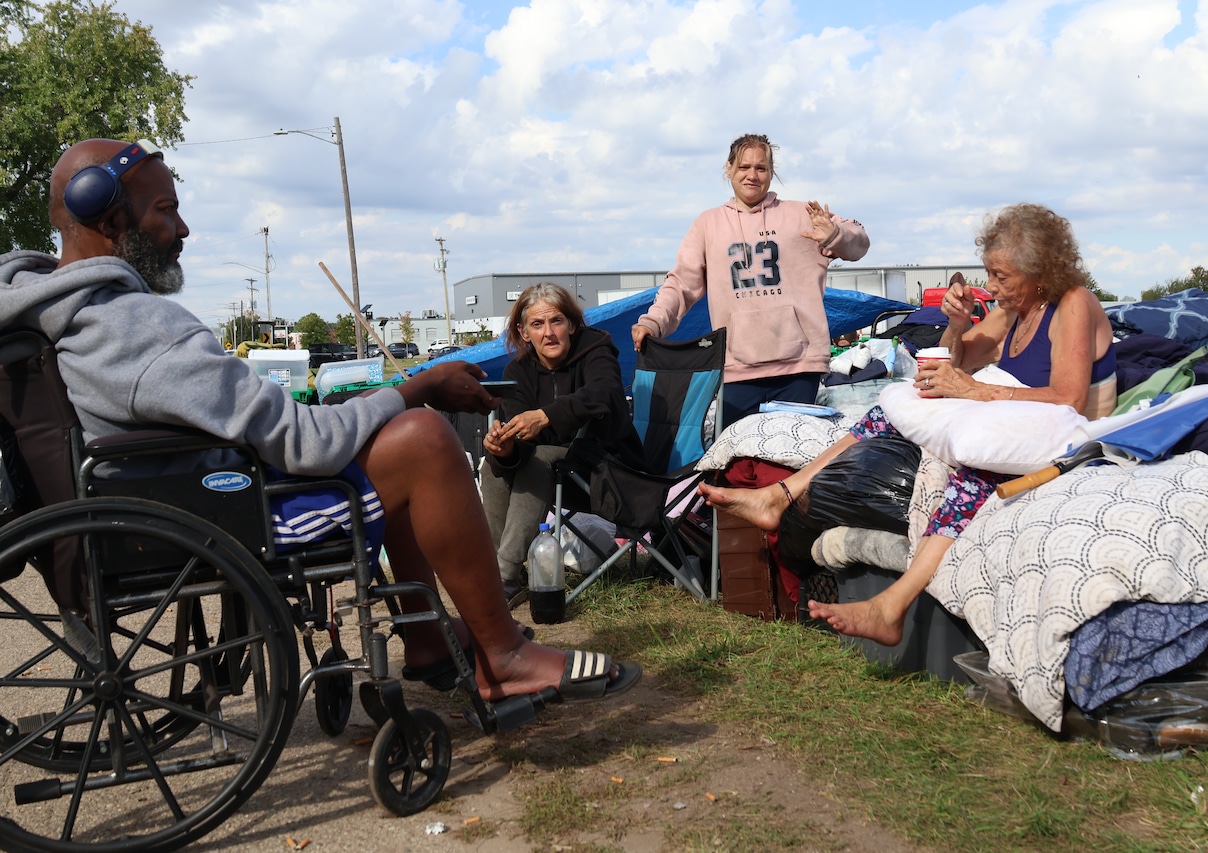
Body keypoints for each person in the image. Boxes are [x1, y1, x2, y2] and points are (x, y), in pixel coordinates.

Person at [0, 138, 639, 705]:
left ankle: (427, 641)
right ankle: (504, 655)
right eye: (166, 209)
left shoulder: (57, 312)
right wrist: (417, 388)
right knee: (419, 440)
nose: (184, 227)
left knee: (383, 436)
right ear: (111, 220)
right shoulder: (134, 327)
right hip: (216, 516)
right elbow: (303, 442)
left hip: (157, 499)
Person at [700, 203, 1117, 645]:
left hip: (1070, 443)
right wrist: (956, 325)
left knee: (972, 468)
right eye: (989, 274)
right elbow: (952, 367)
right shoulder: (1015, 309)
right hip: (1019, 428)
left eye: (1002, 276)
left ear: (1040, 270)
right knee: (890, 411)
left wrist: (976, 393)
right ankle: (779, 495)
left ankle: (893, 605)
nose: (992, 287)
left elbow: (1068, 399)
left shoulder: (1073, 303)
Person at [631, 133, 871, 425]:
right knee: (737, 462)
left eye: (761, 168)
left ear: (771, 173)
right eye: (744, 167)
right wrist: (653, 322)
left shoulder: (801, 215)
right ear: (729, 169)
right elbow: (681, 284)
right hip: (736, 368)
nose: (752, 175)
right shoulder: (708, 224)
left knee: (789, 456)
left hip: (798, 367)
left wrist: (836, 235)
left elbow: (859, 243)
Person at [481, 282, 645, 604]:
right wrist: (506, 449)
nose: (549, 333)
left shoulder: (596, 348)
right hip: (558, 477)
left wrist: (546, 415)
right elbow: (522, 444)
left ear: (571, 324)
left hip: (607, 467)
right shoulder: (519, 371)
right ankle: (503, 575)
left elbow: (605, 396)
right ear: (524, 332)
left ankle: (504, 574)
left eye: (556, 321)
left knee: (541, 458)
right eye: (537, 325)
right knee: (491, 467)